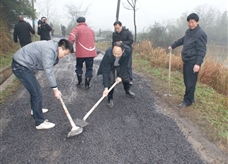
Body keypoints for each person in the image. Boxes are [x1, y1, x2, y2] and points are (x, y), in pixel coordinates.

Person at [11, 39, 73, 129]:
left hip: (23, 64)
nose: (64, 56)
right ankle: (39, 122)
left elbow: (49, 69)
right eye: (65, 54)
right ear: (61, 48)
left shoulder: (52, 48)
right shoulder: (50, 50)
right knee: (36, 93)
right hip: (21, 66)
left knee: (36, 90)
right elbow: (48, 70)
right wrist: (55, 89)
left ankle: (35, 110)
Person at [168, 13, 207, 108]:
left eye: (192, 22)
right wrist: (173, 45)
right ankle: (191, 98)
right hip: (187, 60)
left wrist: (197, 64)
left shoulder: (201, 34)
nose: (190, 24)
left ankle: (187, 101)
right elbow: (182, 40)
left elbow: (202, 50)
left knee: (190, 82)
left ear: (197, 22)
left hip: (193, 62)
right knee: (188, 81)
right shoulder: (189, 31)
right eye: (189, 22)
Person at [97, 41, 135, 108]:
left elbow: (125, 64)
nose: (116, 55)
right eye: (114, 53)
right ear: (112, 50)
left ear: (123, 51)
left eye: (118, 54)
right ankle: (110, 98)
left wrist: (120, 76)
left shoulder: (128, 51)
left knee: (125, 77)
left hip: (120, 64)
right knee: (111, 80)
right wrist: (106, 88)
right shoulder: (108, 54)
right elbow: (106, 72)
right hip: (110, 65)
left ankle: (127, 91)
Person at [68, 17, 97, 89]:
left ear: (77, 22)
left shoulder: (76, 29)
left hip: (80, 52)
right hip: (90, 52)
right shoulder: (91, 30)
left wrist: (70, 44)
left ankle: (79, 82)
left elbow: (71, 37)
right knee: (89, 68)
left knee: (79, 66)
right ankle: (87, 84)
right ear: (85, 21)